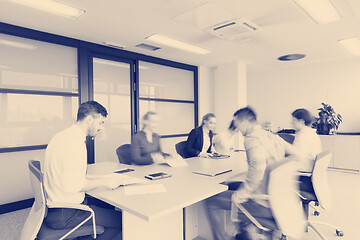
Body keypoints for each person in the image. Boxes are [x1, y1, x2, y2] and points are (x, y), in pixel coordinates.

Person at [206, 107, 298, 240]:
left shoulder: (251, 139)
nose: (236, 127)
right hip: (279, 197)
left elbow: (258, 169)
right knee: (234, 185)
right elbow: (295, 154)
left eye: (236, 123)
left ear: (244, 122)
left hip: (264, 202)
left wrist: (242, 194)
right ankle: (244, 233)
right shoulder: (270, 135)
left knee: (212, 201)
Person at [42, 100, 123, 240]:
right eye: (100, 123)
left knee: (104, 207)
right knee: (122, 221)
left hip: (54, 207)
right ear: (89, 119)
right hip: (68, 213)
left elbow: (70, 177)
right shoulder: (75, 144)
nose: (101, 128)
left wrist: (102, 180)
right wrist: (106, 182)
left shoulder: (61, 137)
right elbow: (75, 185)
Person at [291, 108, 322, 194]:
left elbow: (297, 157)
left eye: (293, 120)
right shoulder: (311, 133)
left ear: (301, 121)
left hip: (304, 179)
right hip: (312, 177)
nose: (292, 123)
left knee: (275, 177)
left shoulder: (303, 136)